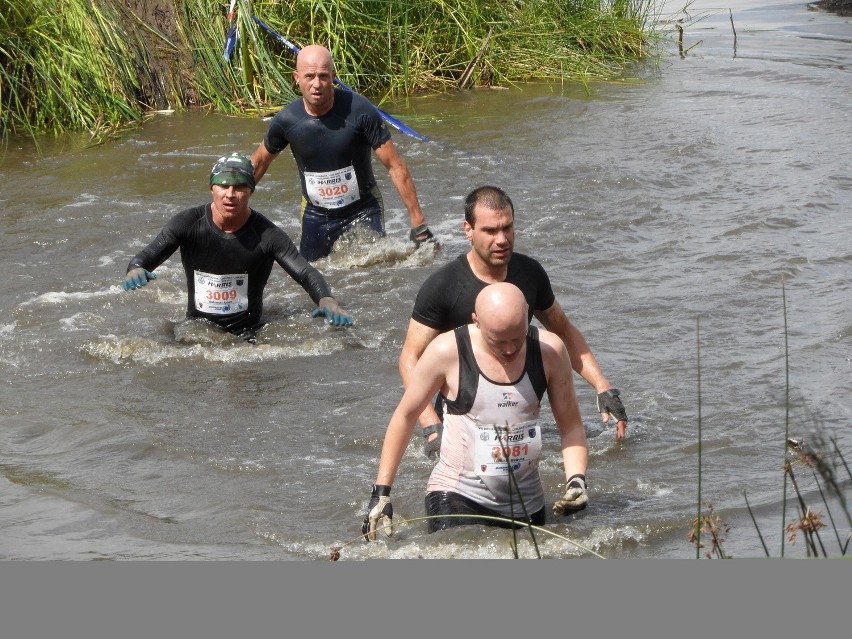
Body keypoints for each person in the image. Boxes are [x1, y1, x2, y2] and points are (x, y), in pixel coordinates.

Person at [399, 185, 628, 458]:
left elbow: (563, 331)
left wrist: (602, 386)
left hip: (517, 410)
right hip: (460, 415)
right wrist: (431, 427)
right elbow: (409, 358)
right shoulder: (444, 286)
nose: (502, 239)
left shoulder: (529, 274)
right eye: (490, 231)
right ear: (468, 230)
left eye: (507, 228)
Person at [362, 282, 590, 539]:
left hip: (527, 501)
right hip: (458, 495)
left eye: (517, 338)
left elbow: (571, 427)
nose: (509, 349)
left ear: (528, 317)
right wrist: (381, 493)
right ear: (476, 321)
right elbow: (405, 416)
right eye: (498, 340)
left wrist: (576, 481)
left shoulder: (550, 351)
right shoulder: (446, 351)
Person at [121, 152, 352, 342]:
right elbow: (146, 257)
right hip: (195, 332)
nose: (230, 195)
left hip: (247, 335)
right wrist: (135, 268)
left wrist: (327, 301)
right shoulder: (188, 224)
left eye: (240, 187)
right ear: (212, 188)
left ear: (251, 190)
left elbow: (306, 273)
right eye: (223, 185)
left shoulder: (268, 235)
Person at [250, 44, 436, 261]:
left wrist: (418, 223)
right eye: (309, 76)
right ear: (297, 78)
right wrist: (230, 209)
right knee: (312, 273)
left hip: (363, 209)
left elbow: (395, 166)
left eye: (323, 76)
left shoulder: (359, 111)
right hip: (316, 214)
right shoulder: (286, 121)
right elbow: (260, 161)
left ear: (333, 77)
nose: (317, 84)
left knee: (370, 275)